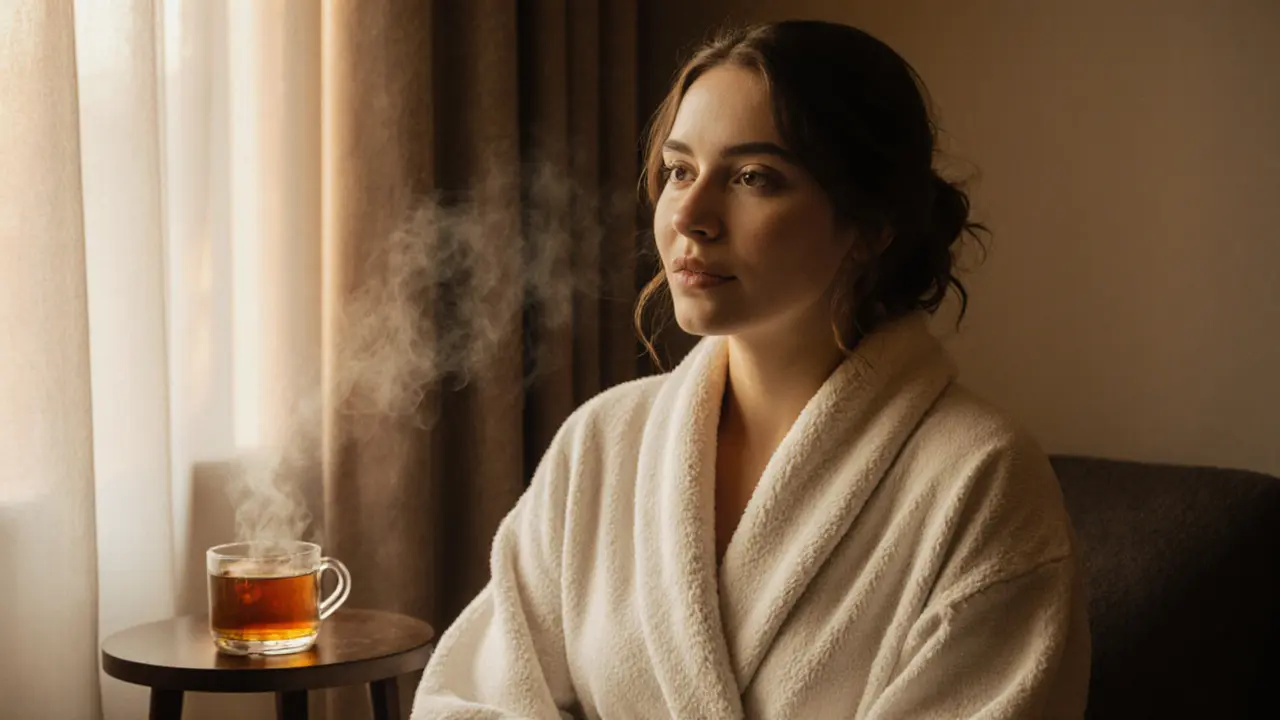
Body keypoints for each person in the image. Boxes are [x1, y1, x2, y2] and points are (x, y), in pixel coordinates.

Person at [411, 19, 1090, 719]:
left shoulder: (981, 478)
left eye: (752, 178)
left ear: (872, 225)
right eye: (679, 171)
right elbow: (463, 702)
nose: (690, 216)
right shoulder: (603, 444)